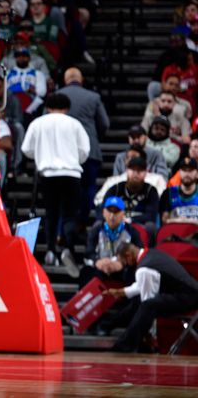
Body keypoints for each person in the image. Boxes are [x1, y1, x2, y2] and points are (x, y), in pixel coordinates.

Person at [21, 93, 90, 277]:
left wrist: (42, 154)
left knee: (51, 213)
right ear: (67, 107)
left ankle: (50, 250)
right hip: (71, 173)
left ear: (48, 106)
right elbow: (85, 151)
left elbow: (26, 149)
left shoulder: (38, 123)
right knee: (69, 215)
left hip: (48, 173)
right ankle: (67, 247)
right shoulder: (74, 124)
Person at [106, 242, 198, 352]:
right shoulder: (150, 254)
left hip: (188, 298)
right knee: (140, 303)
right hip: (189, 293)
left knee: (147, 305)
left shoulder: (144, 269)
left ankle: (123, 347)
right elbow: (141, 285)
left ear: (128, 256)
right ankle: (110, 325)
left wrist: (149, 334)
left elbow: (147, 303)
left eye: (124, 262)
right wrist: (121, 291)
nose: (126, 265)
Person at [57, 67, 110, 223]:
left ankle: (65, 227)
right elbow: (105, 124)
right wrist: (95, 138)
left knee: (64, 192)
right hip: (90, 150)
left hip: (63, 152)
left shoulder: (56, 97)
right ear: (81, 80)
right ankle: (82, 220)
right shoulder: (93, 97)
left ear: (65, 80)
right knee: (88, 187)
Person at [160, 157, 198, 225]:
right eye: (184, 170)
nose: (187, 174)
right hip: (174, 233)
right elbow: (164, 222)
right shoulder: (168, 193)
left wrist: (185, 221)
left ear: (197, 174)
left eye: (190, 170)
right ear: (179, 173)